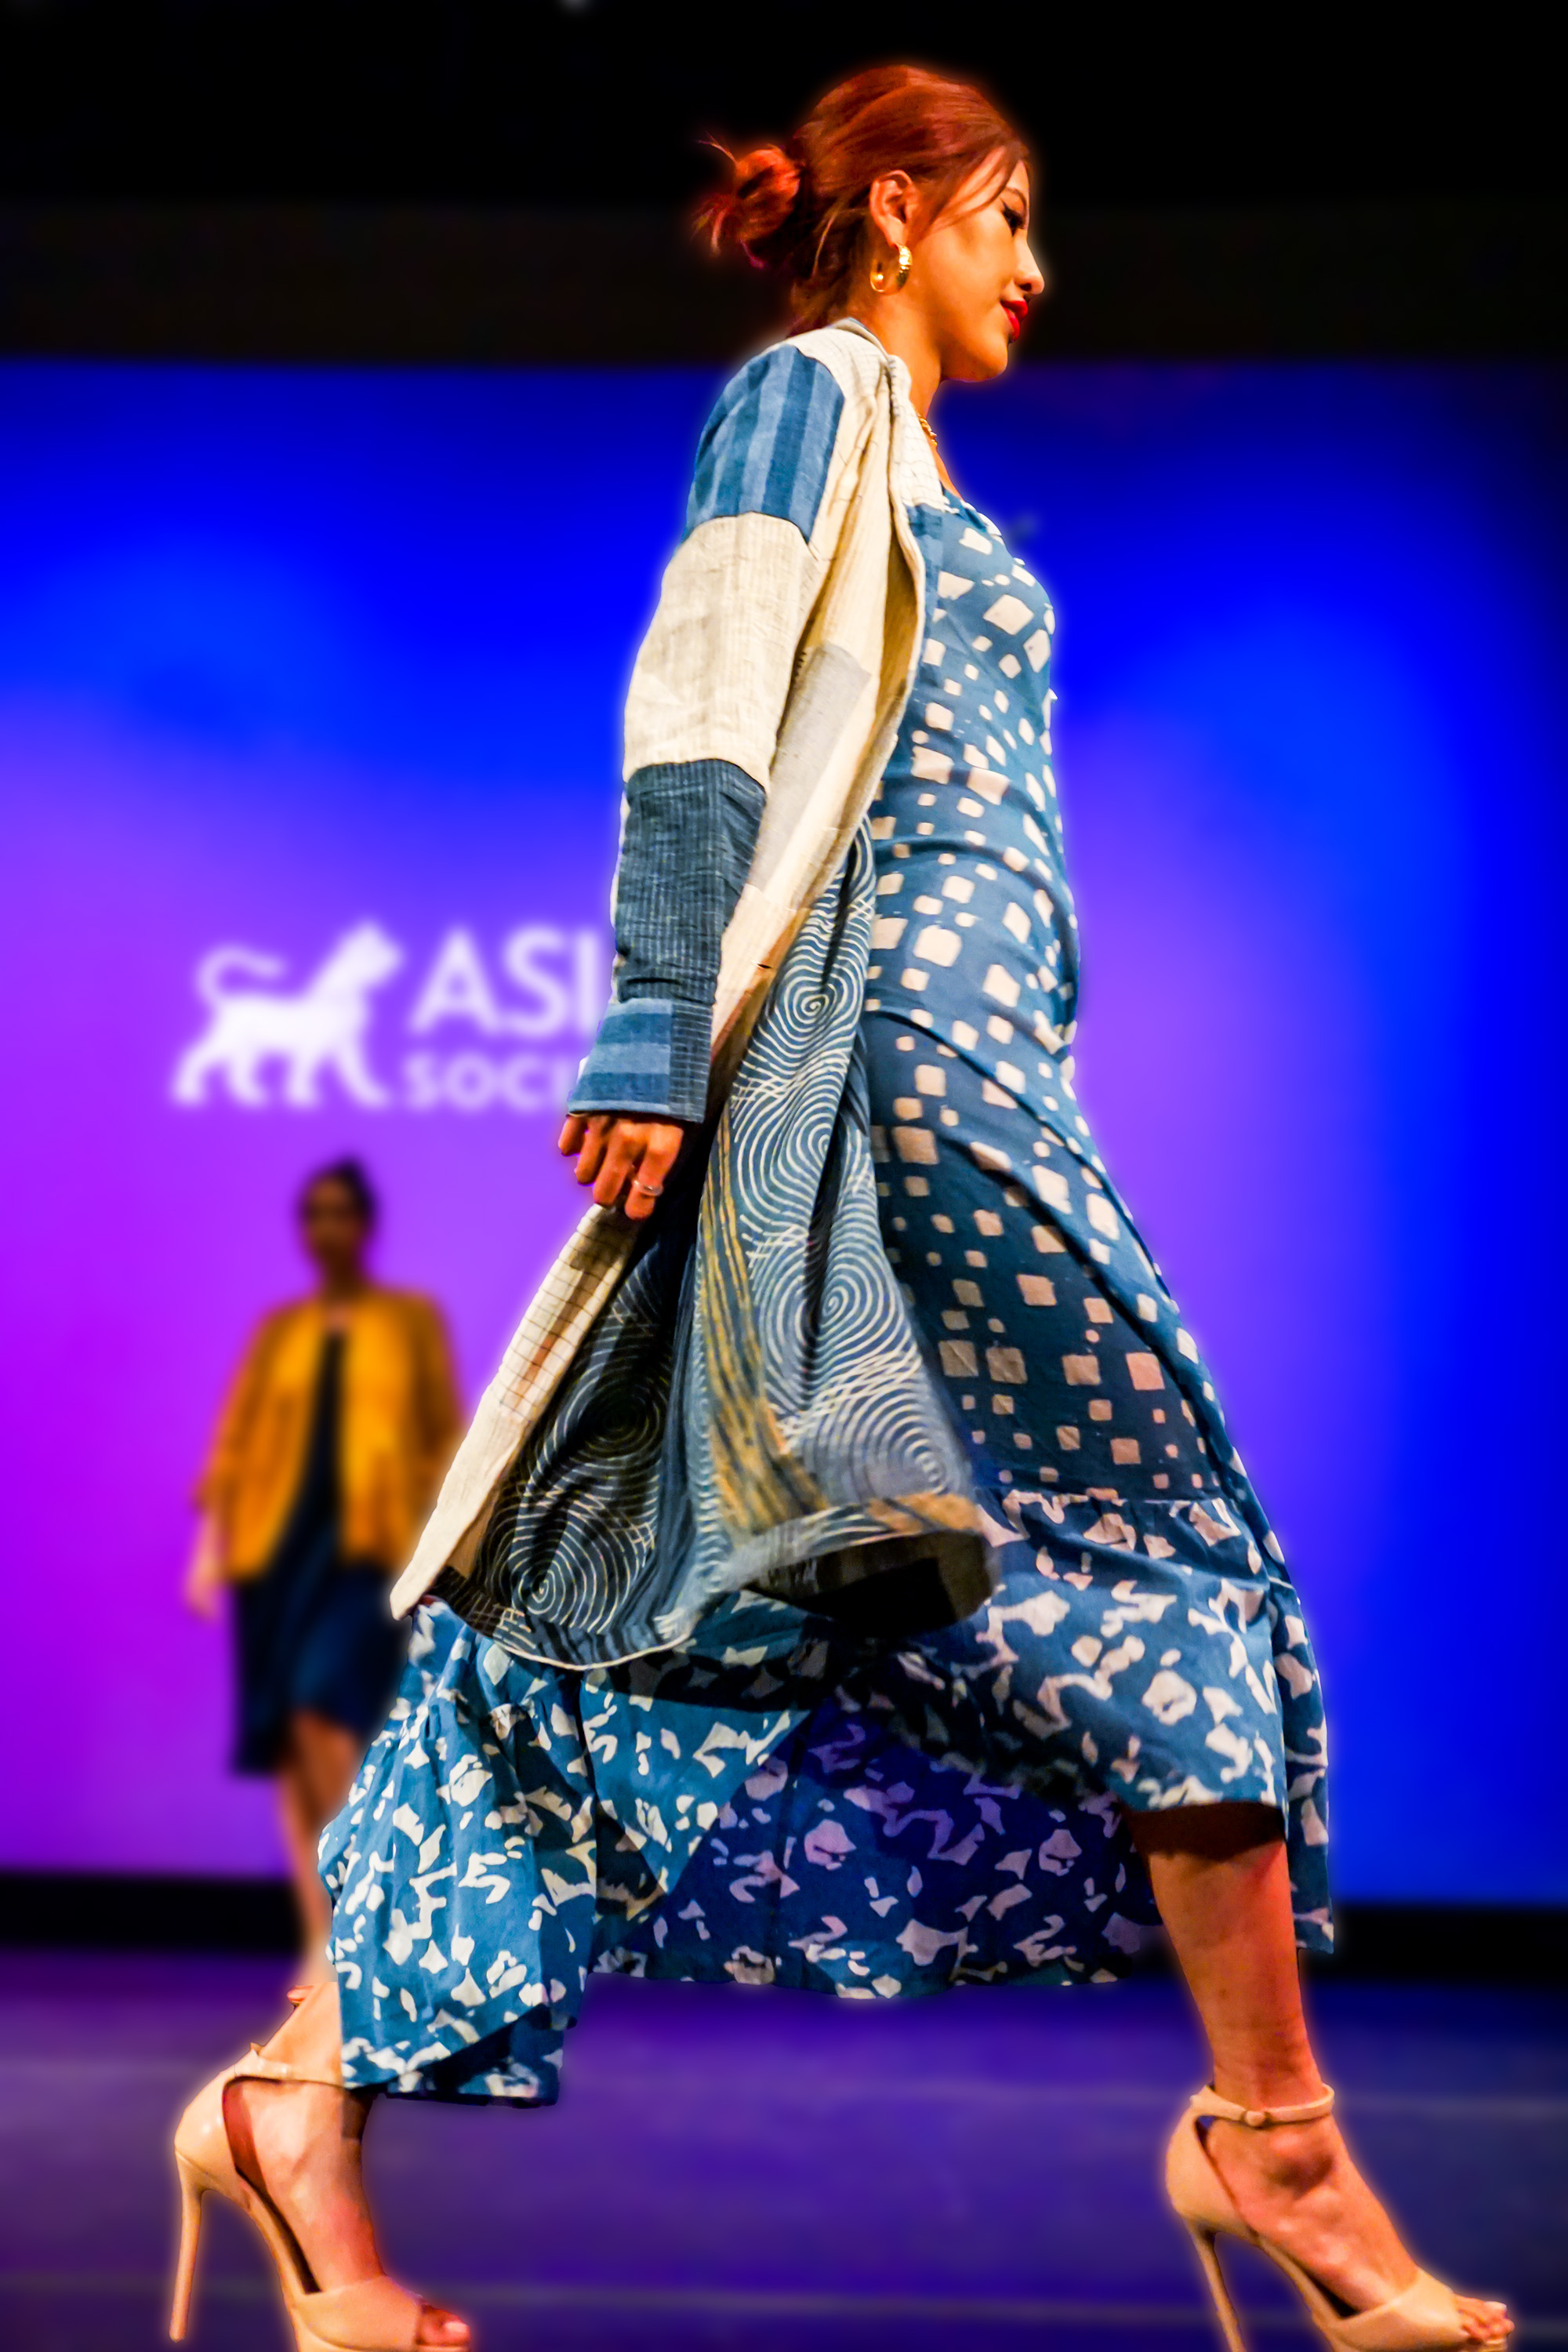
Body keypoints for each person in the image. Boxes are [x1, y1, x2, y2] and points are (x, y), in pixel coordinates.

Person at [169, 70, 1511, 2352]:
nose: (1037, 269)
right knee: (1165, 1546)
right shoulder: (806, 399)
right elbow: (699, 707)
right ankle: (1270, 2136)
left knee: (637, 1610)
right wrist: (644, 1025)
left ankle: (299, 2096)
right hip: (881, 1088)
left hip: (966, 1084)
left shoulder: (914, 457)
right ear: (903, 213)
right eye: (1008, 222)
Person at [186, 1158, 461, 1973]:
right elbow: (237, 1446)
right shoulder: (283, 1331)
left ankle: (356, 1905)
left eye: (340, 1213)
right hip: (275, 1556)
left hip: (366, 1548)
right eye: (313, 1214)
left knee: (320, 1712)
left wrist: (444, 1549)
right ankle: (321, 1933)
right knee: (285, 1745)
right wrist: (209, 1550)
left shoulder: (408, 1321)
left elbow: (441, 1431)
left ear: (365, 1226)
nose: (325, 1228)